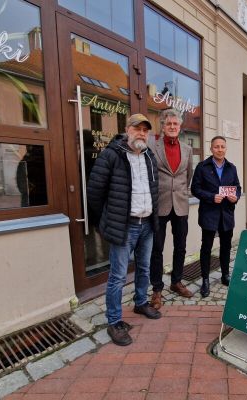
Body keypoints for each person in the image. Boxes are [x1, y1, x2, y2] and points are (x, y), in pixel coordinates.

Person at [87, 113, 162, 346]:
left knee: (144, 268)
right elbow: (94, 192)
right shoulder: (111, 155)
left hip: (147, 224)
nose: (141, 133)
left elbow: (154, 189)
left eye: (145, 130)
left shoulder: (149, 156)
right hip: (125, 226)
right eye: (137, 128)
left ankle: (140, 303)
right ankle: (114, 321)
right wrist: (107, 220)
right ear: (127, 129)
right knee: (118, 276)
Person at [148, 109, 194, 309]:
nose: (173, 127)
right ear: (163, 126)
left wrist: (182, 192)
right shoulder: (152, 146)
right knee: (156, 248)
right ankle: (157, 289)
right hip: (160, 204)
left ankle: (176, 281)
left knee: (181, 246)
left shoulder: (187, 149)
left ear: (180, 126)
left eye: (176, 124)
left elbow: (188, 175)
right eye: (169, 124)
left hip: (181, 205)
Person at [191, 136, 241, 298]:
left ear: (226, 148)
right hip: (209, 214)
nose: (220, 149)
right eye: (216, 147)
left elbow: (237, 187)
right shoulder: (202, 167)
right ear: (211, 149)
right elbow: (195, 189)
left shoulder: (231, 168)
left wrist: (235, 197)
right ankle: (205, 280)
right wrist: (211, 197)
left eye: (222, 147)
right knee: (206, 248)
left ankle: (225, 275)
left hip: (226, 214)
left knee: (226, 247)